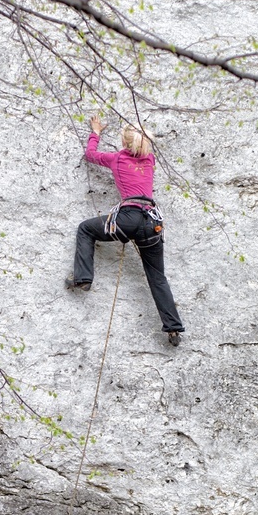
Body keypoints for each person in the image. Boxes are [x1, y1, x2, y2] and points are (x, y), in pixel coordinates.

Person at [67, 115, 186, 345]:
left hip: (128, 219)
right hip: (152, 223)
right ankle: (173, 329)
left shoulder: (118, 158)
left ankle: (83, 278)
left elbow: (90, 155)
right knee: (157, 277)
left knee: (85, 229)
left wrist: (96, 132)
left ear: (124, 143)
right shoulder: (150, 160)